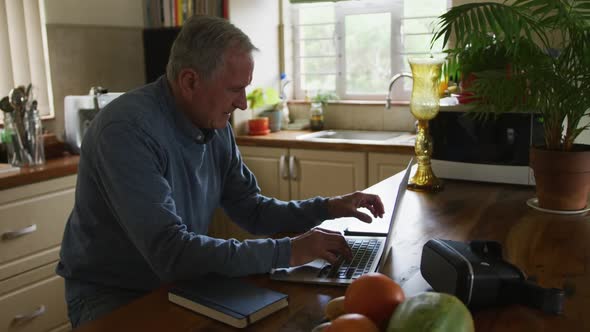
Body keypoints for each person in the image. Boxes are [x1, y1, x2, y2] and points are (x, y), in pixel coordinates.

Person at [56, 15, 384, 328]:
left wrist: (327, 208)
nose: (243, 103)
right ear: (189, 81)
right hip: (113, 295)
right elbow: (171, 251)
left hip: (178, 282)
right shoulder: (126, 130)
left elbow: (252, 209)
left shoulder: (214, 122)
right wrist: (291, 250)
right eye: (234, 89)